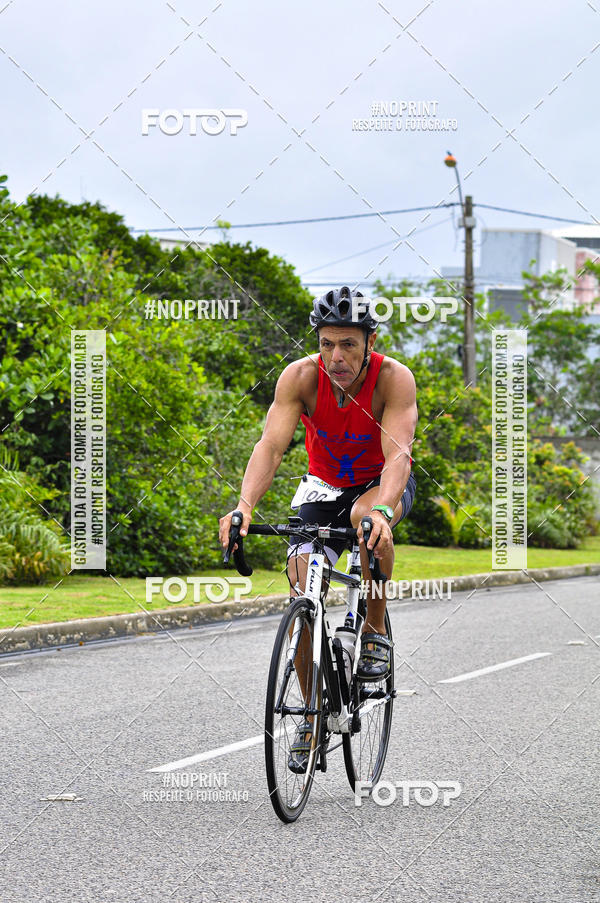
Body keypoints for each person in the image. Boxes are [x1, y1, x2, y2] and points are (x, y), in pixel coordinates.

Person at [219, 285, 417, 772]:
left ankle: (373, 629)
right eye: (327, 343)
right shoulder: (300, 378)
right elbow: (270, 446)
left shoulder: (394, 380)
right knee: (300, 575)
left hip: (380, 483)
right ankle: (311, 713)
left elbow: (399, 455)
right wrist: (244, 505)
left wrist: (383, 512)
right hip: (323, 485)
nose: (336, 356)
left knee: (362, 521)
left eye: (348, 343)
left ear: (369, 341)